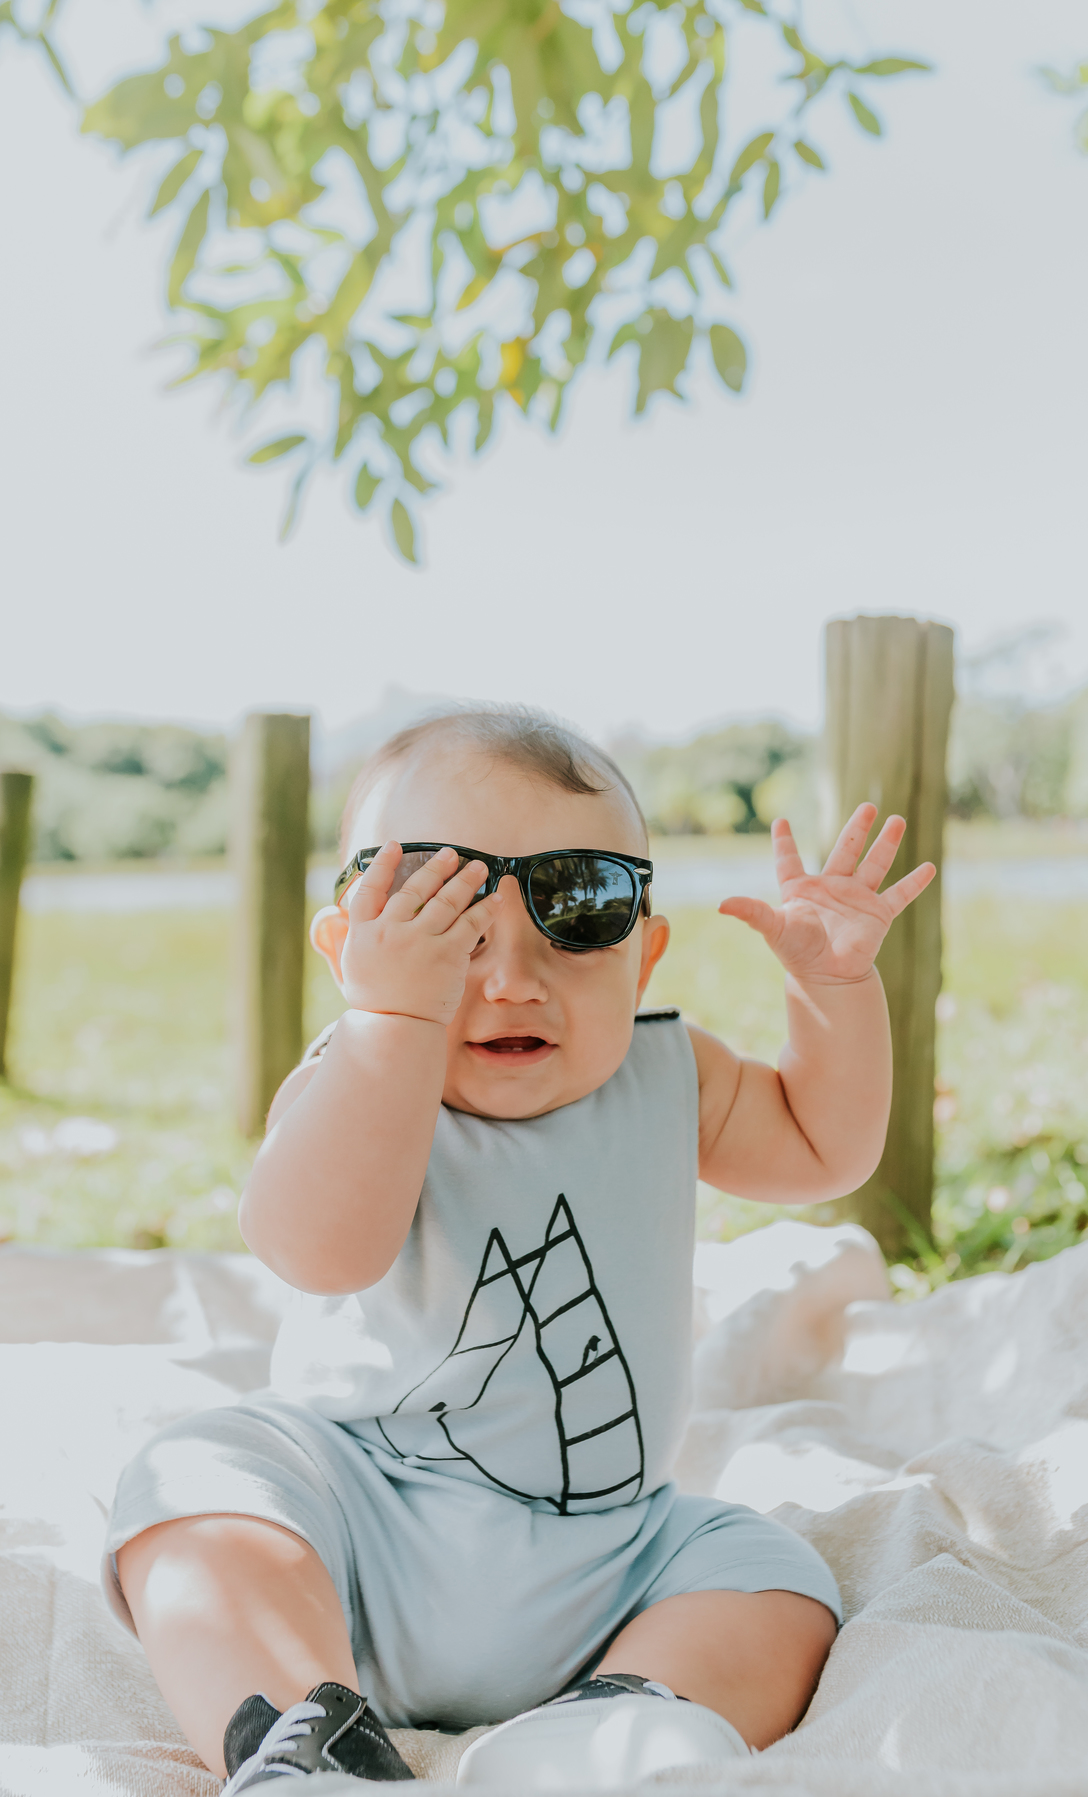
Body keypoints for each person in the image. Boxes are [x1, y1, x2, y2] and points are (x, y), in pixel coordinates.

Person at [102, 707, 935, 1792]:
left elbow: (826, 1149)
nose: (507, 978)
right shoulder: (359, 1077)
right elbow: (321, 1250)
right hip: (360, 1535)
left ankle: (617, 1726)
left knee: (774, 1580)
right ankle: (308, 1737)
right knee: (195, 1483)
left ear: (644, 954)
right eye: (437, 918)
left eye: (579, 908)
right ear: (352, 949)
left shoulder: (671, 1075)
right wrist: (393, 1026)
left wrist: (833, 994)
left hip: (612, 1557)